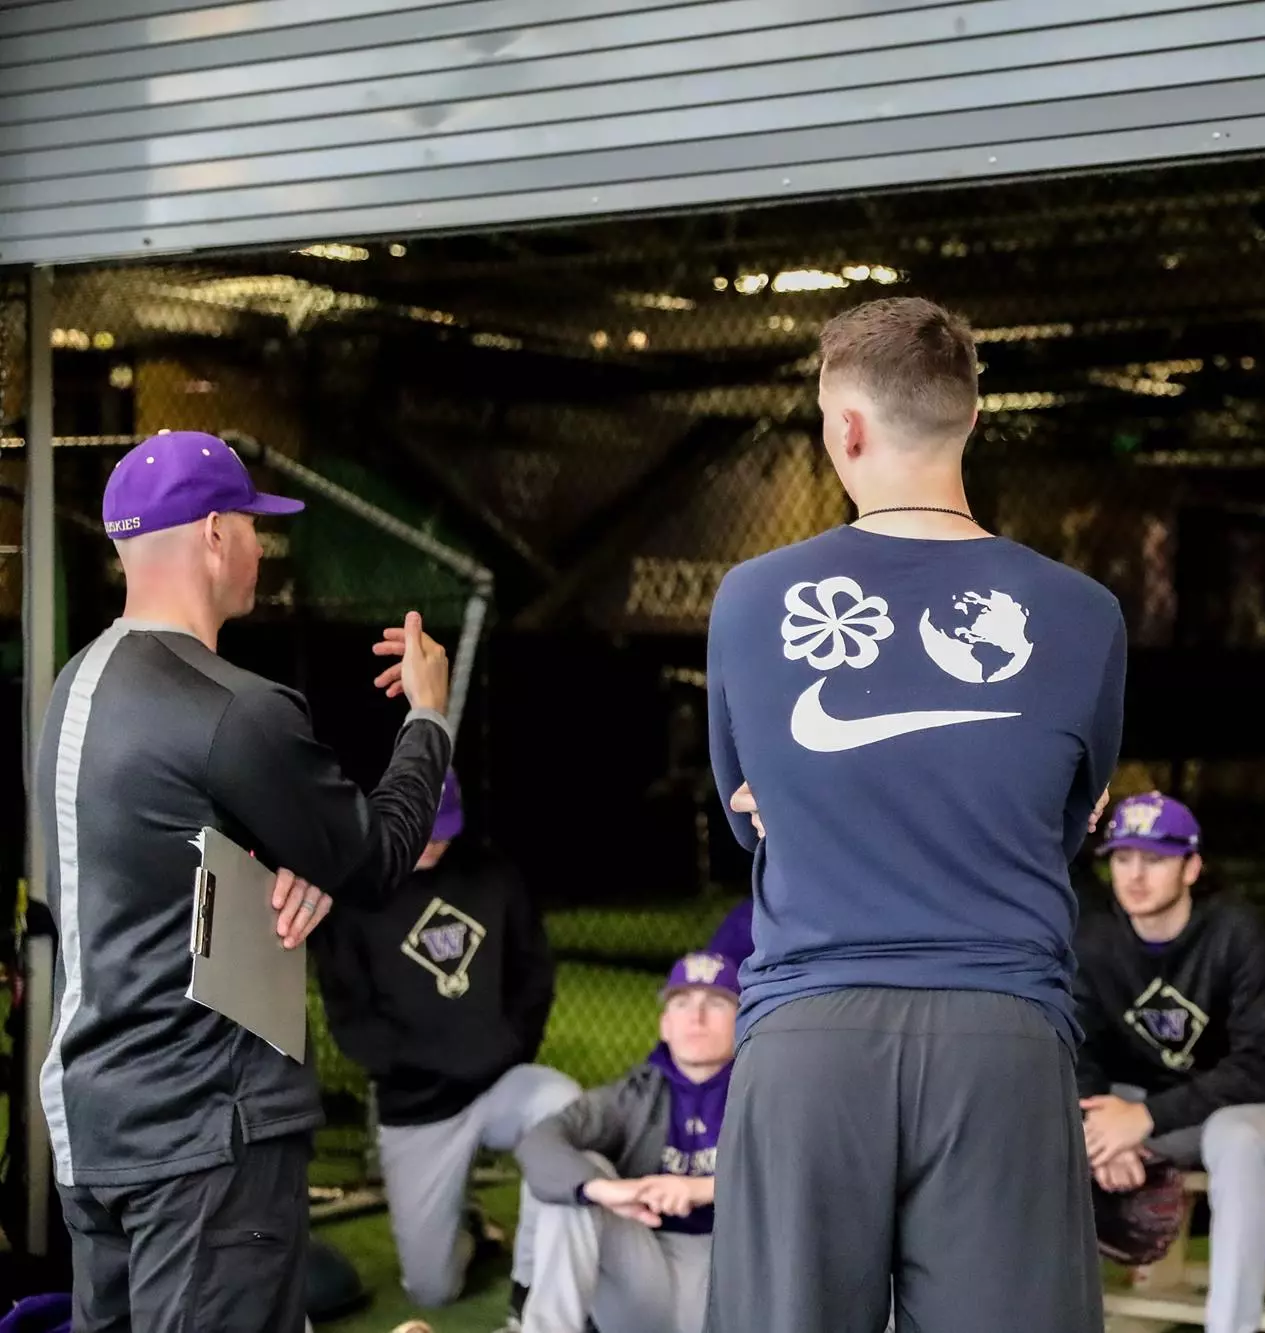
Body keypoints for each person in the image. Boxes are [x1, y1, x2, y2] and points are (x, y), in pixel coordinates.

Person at [702, 296, 1126, 1333]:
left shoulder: (752, 599)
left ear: (844, 428)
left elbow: (747, 813)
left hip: (809, 1040)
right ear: (971, 418)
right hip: (1004, 1038)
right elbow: (1067, 820)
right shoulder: (1083, 612)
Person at [36, 430, 454, 1332]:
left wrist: (292, 865)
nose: (264, 546)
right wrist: (429, 716)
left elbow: (172, 853)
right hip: (204, 1134)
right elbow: (380, 857)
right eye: (255, 526)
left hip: (98, 1124)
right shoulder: (233, 707)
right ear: (215, 533)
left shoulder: (74, 687)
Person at [312, 767, 580, 1322]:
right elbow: (352, 1021)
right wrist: (437, 1063)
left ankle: (533, 1278)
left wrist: (507, 1046)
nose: (437, 842)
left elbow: (534, 973)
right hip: (420, 1108)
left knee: (565, 1106)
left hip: (500, 1084)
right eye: (424, 831)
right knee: (433, 1291)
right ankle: (472, 1228)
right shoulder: (353, 895)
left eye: (446, 829)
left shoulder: (493, 874)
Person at [1073, 793, 1265, 1333]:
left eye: (1155, 860)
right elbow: (1079, 1047)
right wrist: (1099, 1128)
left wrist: (1142, 1121)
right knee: (1050, 1129)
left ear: (1192, 867)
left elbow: (1261, 1066)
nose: (1135, 876)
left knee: (1235, 1139)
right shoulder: (1095, 938)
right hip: (1148, 1107)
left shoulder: (1238, 930)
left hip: (1255, 1103)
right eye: (1122, 858)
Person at [514, 949, 738, 1333]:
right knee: (580, 1177)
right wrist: (601, 1188)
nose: (696, 1017)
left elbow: (813, 1176)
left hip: (730, 1281)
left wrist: (703, 1188)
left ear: (743, 1018)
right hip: (642, 1274)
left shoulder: (768, 1096)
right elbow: (540, 1141)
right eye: (682, 1003)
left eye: (715, 1003)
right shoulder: (633, 1096)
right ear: (665, 1025)